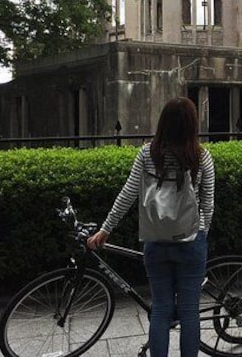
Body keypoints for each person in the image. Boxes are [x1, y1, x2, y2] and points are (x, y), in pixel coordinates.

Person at [87, 97, 214, 357]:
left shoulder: (148, 154)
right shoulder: (201, 157)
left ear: (163, 123)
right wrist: (201, 235)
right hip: (191, 241)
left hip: (156, 241)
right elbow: (208, 204)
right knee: (190, 311)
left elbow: (128, 194)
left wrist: (105, 229)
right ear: (192, 125)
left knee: (161, 308)